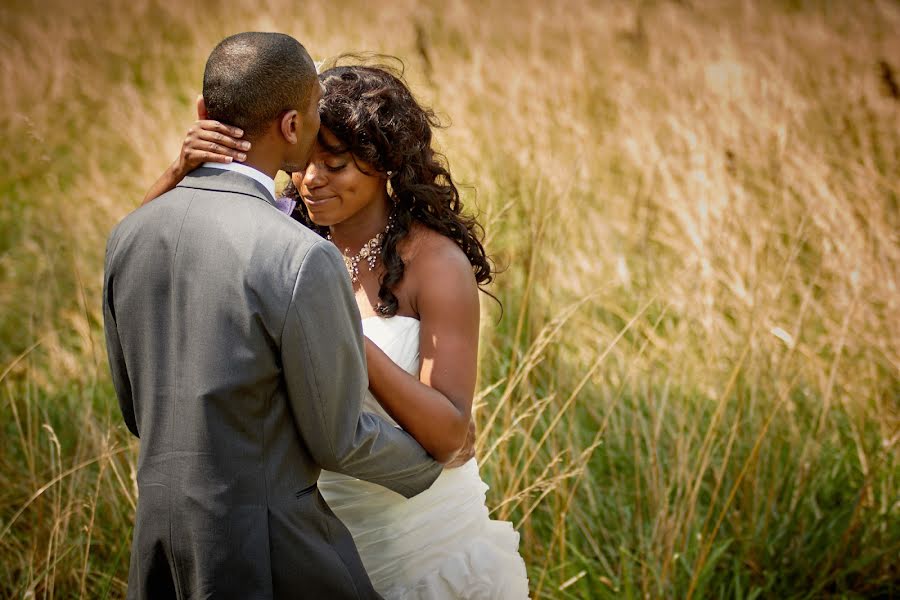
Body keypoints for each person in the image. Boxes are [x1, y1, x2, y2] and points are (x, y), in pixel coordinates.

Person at [146, 59, 530, 598]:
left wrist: (336, 326)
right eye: (304, 162)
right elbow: (145, 262)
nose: (311, 180)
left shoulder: (434, 263)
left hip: (421, 541)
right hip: (310, 540)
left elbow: (449, 436)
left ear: (386, 164)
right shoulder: (276, 237)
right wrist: (177, 174)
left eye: (339, 164)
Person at [103, 34, 443, 600]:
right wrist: (429, 465)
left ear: (203, 113)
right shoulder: (299, 254)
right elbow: (338, 439)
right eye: (311, 114)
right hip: (267, 550)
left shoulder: (129, 235)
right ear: (291, 126)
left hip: (158, 549)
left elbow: (136, 410)